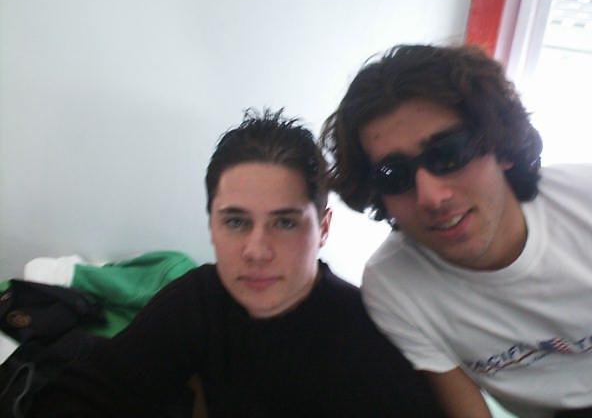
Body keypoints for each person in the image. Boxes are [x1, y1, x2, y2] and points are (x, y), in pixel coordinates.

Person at [30, 110, 441, 417]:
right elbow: (84, 394)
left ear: (323, 229)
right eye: (236, 222)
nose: (256, 251)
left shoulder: (372, 341)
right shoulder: (201, 300)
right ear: (211, 224)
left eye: (284, 222)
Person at [321, 44, 592, 418]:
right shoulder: (393, 285)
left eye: (448, 154)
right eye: (394, 175)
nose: (431, 196)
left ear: (500, 147)